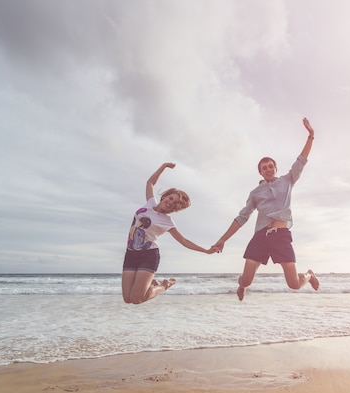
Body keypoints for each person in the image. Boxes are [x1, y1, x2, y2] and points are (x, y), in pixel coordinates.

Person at [211, 117, 319, 301]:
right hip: (261, 236)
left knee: (293, 284)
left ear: (275, 168)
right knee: (246, 281)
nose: (268, 169)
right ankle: (241, 286)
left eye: (270, 166)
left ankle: (309, 275)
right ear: (260, 172)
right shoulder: (255, 193)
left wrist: (311, 136)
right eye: (264, 168)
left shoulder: (288, 180)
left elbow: (301, 160)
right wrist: (222, 240)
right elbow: (241, 218)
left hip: (281, 236)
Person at [122, 162, 216, 304]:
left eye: (175, 204)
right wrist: (164, 166)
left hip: (148, 256)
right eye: (171, 198)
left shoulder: (167, 222)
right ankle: (152, 283)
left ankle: (164, 285)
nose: (171, 202)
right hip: (130, 253)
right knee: (127, 299)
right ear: (165, 195)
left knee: (136, 299)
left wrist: (206, 251)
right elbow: (150, 182)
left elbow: (184, 241)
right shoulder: (150, 203)